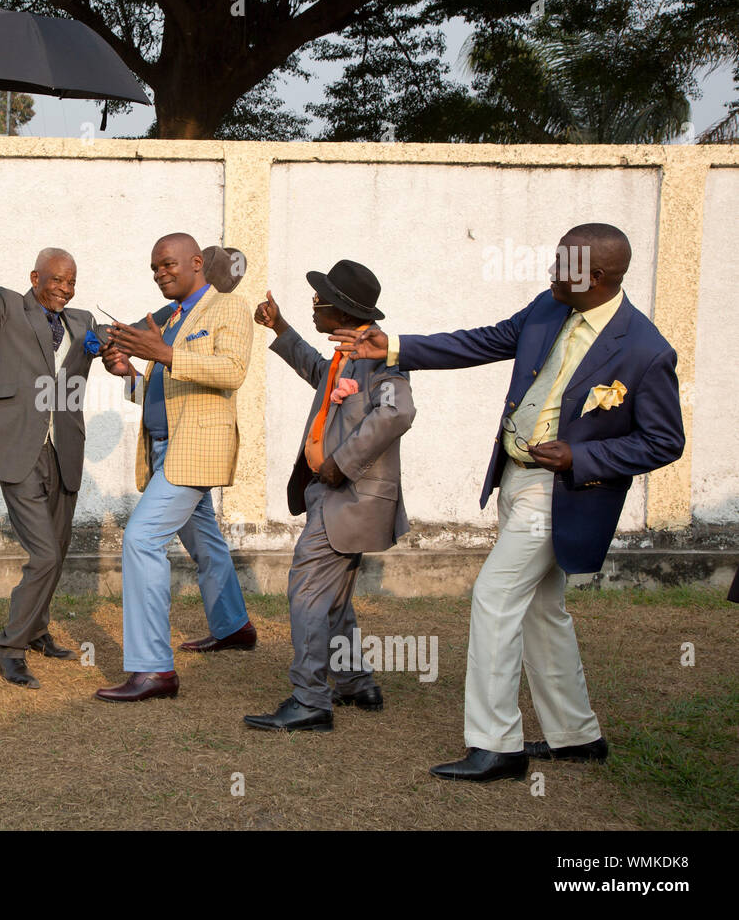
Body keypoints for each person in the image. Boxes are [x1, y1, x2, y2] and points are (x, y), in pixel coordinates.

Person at [336, 223, 685, 781]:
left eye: (562, 264)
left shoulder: (645, 349)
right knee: (544, 612)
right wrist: (396, 346)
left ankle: (497, 743)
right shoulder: (547, 309)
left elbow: (665, 440)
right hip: (515, 481)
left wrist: (580, 457)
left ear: (596, 277)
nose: (549, 270)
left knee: (494, 597)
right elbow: (484, 341)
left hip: (564, 494)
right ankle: (576, 735)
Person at [244, 262, 415, 731]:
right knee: (333, 598)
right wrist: (280, 327)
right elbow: (319, 372)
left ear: (338, 308)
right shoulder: (344, 353)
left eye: (317, 300)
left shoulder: (382, 356)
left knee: (306, 593)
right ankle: (355, 681)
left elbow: (398, 412)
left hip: (350, 496)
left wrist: (342, 462)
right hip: (328, 495)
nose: (313, 305)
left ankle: (310, 700)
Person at [0, 197, 107, 688]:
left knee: (57, 547)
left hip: (66, 448)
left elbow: (111, 354)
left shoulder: (83, 323)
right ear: (35, 278)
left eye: (70, 281)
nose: (63, 287)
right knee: (45, 554)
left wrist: (117, 358)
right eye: (54, 279)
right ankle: (10, 647)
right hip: (18, 448)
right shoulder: (8, 308)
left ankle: (36, 629)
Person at [94, 233, 255, 703]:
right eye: (155, 268)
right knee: (204, 539)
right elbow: (168, 385)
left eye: (168, 265)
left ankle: (153, 671)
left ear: (196, 263)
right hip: (168, 447)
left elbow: (231, 371)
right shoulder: (176, 320)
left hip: (197, 451)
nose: (161, 273)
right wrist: (130, 371)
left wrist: (161, 352)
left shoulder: (229, 308)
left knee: (142, 539)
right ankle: (234, 627)